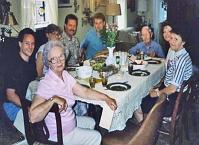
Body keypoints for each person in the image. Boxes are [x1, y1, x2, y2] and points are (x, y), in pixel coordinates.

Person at [30, 41, 117, 145]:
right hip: (59, 135)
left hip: (67, 122)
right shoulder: (46, 83)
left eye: (61, 56)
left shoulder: (64, 74)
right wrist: (53, 99)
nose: (59, 61)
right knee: (96, 136)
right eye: (53, 59)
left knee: (91, 122)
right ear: (48, 62)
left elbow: (84, 91)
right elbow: (33, 117)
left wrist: (106, 98)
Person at [141, 28, 193, 117]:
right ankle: (146, 124)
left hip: (174, 100)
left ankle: (148, 128)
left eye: (176, 39)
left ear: (183, 42)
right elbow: (170, 78)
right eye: (171, 38)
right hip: (173, 94)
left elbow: (172, 88)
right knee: (146, 96)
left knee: (143, 102)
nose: (172, 41)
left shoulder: (181, 59)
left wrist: (157, 93)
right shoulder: (178, 54)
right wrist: (159, 89)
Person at [3, 28, 36, 130]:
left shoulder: (31, 64)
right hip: (12, 106)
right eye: (27, 43)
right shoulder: (13, 65)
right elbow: (10, 95)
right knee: (39, 120)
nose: (30, 47)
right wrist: (28, 108)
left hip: (25, 101)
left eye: (32, 43)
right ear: (20, 44)